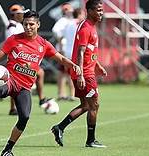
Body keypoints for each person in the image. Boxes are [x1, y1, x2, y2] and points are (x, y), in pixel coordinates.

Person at [0, 10, 81, 155]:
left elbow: (61, 59)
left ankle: (7, 150)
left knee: (24, 117)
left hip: (25, 87)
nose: (28, 27)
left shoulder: (43, 44)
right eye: (25, 24)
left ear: (38, 25)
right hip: (10, 79)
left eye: (31, 24)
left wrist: (74, 65)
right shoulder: (14, 39)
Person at [51, 0, 107, 148]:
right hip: (85, 75)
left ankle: (59, 128)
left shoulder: (91, 26)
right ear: (89, 11)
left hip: (87, 72)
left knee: (86, 106)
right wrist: (81, 74)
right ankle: (90, 140)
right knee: (94, 105)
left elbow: (90, 51)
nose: (101, 13)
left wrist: (98, 65)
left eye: (102, 10)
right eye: (98, 10)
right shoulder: (86, 28)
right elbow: (80, 53)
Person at [6, 4, 52, 115]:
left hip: (24, 56)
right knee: (15, 81)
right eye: (20, 13)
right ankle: (13, 108)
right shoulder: (12, 27)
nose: (22, 15)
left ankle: (40, 99)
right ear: (15, 14)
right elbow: (16, 43)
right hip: (17, 57)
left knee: (39, 73)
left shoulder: (18, 25)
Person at [52, 2, 77, 101]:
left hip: (68, 50)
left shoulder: (71, 21)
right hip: (64, 50)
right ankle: (63, 93)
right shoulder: (62, 20)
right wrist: (61, 41)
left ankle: (68, 93)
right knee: (65, 72)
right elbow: (55, 31)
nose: (69, 12)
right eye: (67, 10)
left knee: (66, 72)